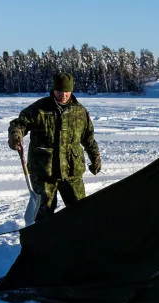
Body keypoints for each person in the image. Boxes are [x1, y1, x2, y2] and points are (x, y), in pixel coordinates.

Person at [8, 73, 101, 222]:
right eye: (59, 91)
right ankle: (41, 244)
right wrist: (15, 135)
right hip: (44, 172)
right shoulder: (39, 108)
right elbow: (19, 124)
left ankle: (78, 242)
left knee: (80, 210)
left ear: (71, 91)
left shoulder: (80, 112)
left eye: (66, 92)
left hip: (72, 171)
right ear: (53, 90)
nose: (63, 95)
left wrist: (95, 157)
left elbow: (88, 139)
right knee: (44, 214)